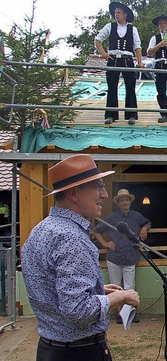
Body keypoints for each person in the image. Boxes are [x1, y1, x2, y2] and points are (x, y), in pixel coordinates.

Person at [21, 154, 140, 360]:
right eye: (98, 187)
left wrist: (98, 290)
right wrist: (120, 296)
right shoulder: (71, 238)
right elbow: (78, 312)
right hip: (78, 352)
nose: (104, 194)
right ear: (74, 193)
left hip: (51, 349)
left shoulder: (42, 229)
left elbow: (54, 289)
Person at [93, 188, 151, 324]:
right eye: (122, 200)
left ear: (130, 202)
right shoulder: (111, 218)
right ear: (118, 203)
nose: (125, 202)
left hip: (131, 256)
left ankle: (129, 314)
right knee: (116, 287)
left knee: (130, 287)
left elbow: (148, 222)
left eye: (127, 200)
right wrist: (105, 243)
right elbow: (97, 231)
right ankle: (120, 314)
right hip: (114, 257)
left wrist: (144, 228)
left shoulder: (137, 216)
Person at [94, 1, 144, 125]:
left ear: (125, 14)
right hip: (113, 59)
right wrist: (104, 53)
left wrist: (139, 62)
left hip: (127, 59)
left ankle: (131, 115)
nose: (116, 15)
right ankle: (111, 115)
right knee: (112, 87)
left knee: (130, 87)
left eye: (119, 12)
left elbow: (137, 46)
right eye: (115, 12)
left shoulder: (133, 29)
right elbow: (98, 40)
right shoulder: (110, 26)